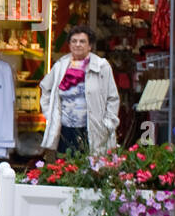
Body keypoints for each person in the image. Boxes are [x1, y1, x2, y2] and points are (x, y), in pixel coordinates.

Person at [40, 25, 120, 155]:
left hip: (93, 129)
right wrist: (50, 114)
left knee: (92, 169)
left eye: (82, 41)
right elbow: (45, 89)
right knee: (65, 167)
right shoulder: (60, 66)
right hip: (65, 129)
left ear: (90, 46)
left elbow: (113, 98)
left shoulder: (101, 66)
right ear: (69, 45)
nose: (78, 45)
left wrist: (108, 124)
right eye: (74, 41)